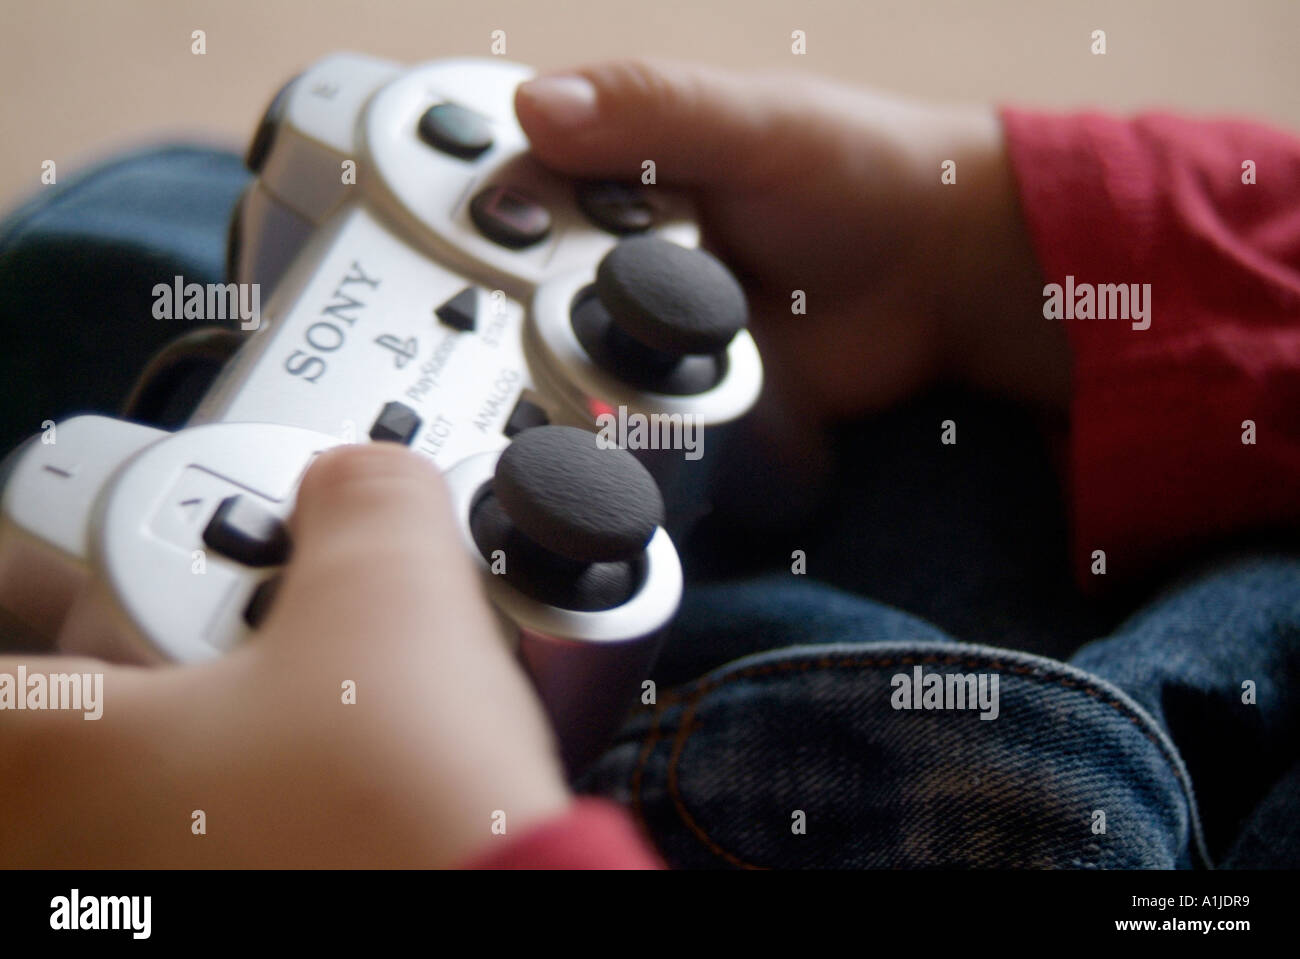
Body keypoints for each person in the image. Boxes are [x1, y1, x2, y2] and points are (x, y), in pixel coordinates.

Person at [1, 59, 1297, 868]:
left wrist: (445, 848)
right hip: (1061, 480)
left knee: (108, 263)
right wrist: (993, 241)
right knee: (130, 247)